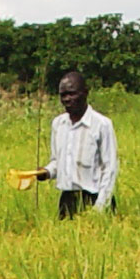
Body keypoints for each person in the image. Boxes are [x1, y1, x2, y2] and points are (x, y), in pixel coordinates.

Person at [39, 70, 118, 218]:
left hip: (95, 198)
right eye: (63, 95)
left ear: (85, 93)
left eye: (72, 93)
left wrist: (100, 208)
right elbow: (57, 162)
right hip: (68, 201)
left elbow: (110, 168)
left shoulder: (102, 124)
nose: (67, 99)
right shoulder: (58, 124)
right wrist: (46, 172)